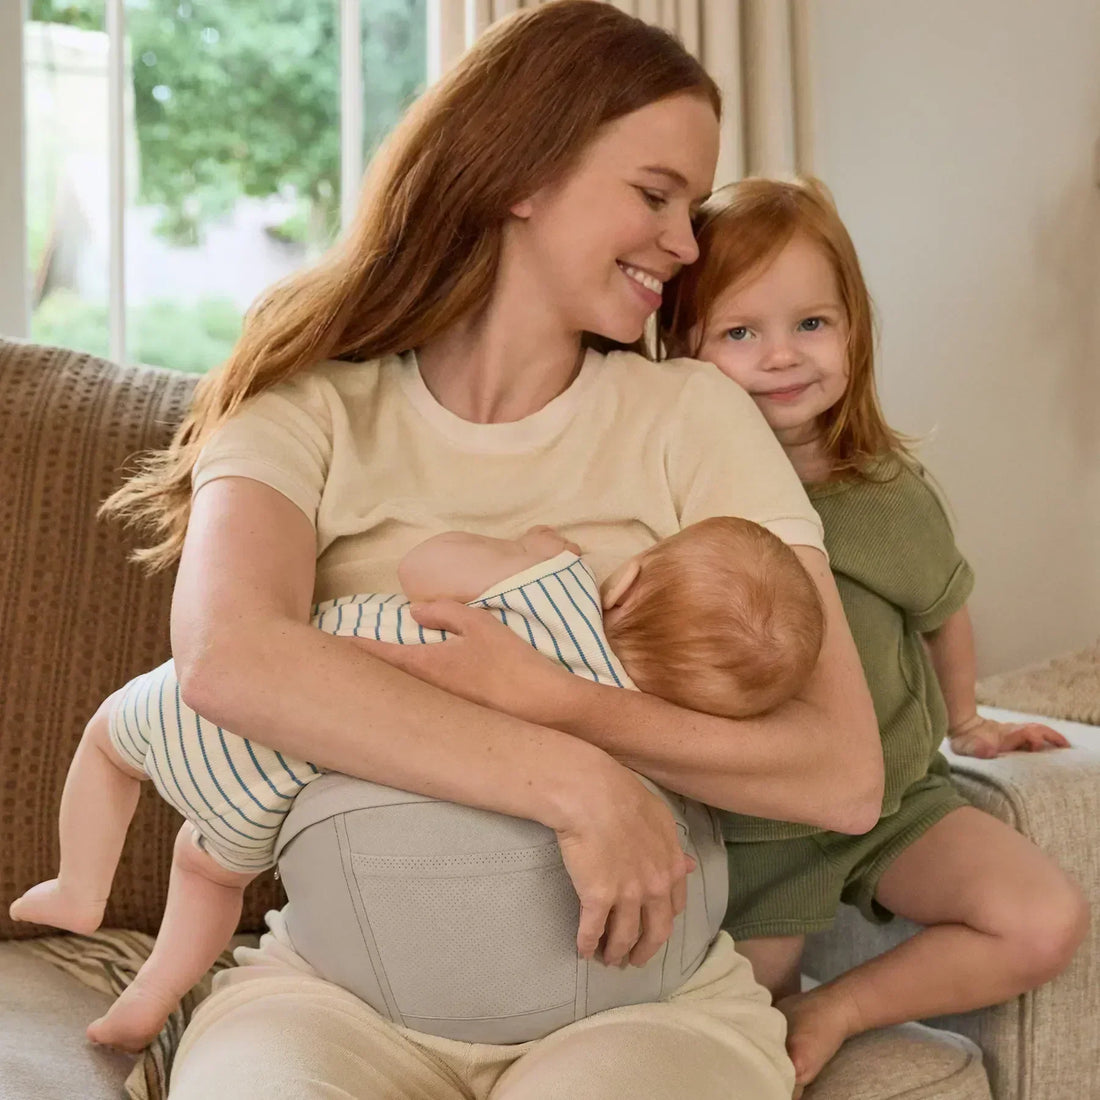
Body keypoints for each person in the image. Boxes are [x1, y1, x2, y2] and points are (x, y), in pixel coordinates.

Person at [54, 4, 883, 1095]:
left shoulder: (692, 418)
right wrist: (572, 783)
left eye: (688, 206)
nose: (685, 244)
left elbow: (840, 772)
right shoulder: (308, 402)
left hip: (645, 1012)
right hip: (332, 1003)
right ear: (520, 173)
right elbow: (227, 655)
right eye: (652, 195)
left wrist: (566, 703)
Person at [11, 514, 824, 1052]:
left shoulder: (557, 589)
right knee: (206, 870)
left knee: (108, 748)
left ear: (633, 579)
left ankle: (80, 886)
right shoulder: (627, 738)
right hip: (276, 787)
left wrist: (539, 547)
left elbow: (424, 564)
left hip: (287, 699)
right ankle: (152, 996)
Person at [660, 173, 1089, 1093]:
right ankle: (786, 1012)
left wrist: (967, 722)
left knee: (1043, 917)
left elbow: (942, 614)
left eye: (812, 324)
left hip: (894, 805)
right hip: (753, 834)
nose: (783, 356)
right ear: (682, 345)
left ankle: (840, 1005)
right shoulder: (676, 500)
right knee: (746, 1054)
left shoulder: (885, 493)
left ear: (854, 329)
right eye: (741, 332)